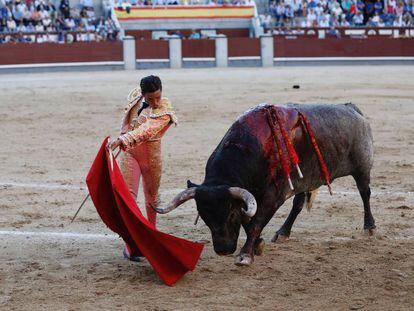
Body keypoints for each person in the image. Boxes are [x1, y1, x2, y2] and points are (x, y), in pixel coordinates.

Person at [109, 75, 177, 261]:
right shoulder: (134, 96)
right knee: (128, 197)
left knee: (152, 198)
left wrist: (124, 139)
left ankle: (151, 236)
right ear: (143, 94)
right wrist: (122, 136)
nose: (155, 102)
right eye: (150, 99)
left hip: (151, 157)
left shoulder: (165, 108)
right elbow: (127, 119)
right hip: (130, 153)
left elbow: (146, 130)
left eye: (158, 97)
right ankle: (131, 243)